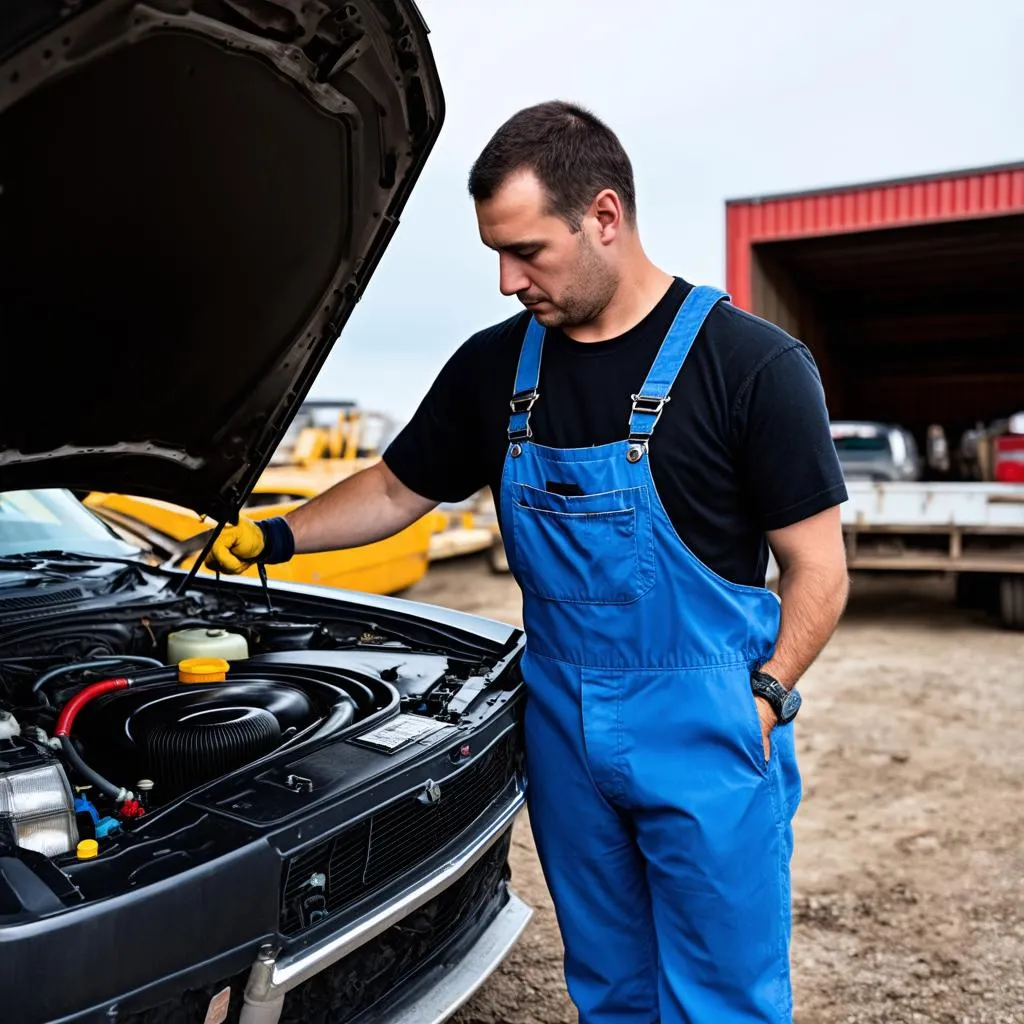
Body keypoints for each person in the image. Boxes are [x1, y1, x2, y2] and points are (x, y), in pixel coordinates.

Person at [208, 101, 850, 1024]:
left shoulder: (749, 365)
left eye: (528, 252)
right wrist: (275, 533)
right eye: (495, 256)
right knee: (609, 979)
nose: (509, 281)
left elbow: (818, 567)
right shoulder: (495, 368)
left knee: (723, 993)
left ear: (603, 216)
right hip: (559, 718)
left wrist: (768, 693)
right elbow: (398, 489)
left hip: (705, 717)